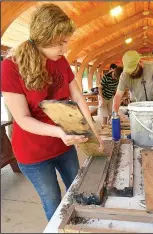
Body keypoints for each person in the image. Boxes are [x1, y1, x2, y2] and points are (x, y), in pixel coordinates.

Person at [1, 4, 103, 221]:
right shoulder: (11, 67)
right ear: (43, 38)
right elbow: (23, 119)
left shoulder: (60, 60)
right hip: (33, 152)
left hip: (64, 145)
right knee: (53, 202)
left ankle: (81, 226)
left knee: (78, 190)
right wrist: (60, 133)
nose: (65, 49)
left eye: (66, 42)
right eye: (60, 43)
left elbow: (77, 96)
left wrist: (92, 129)